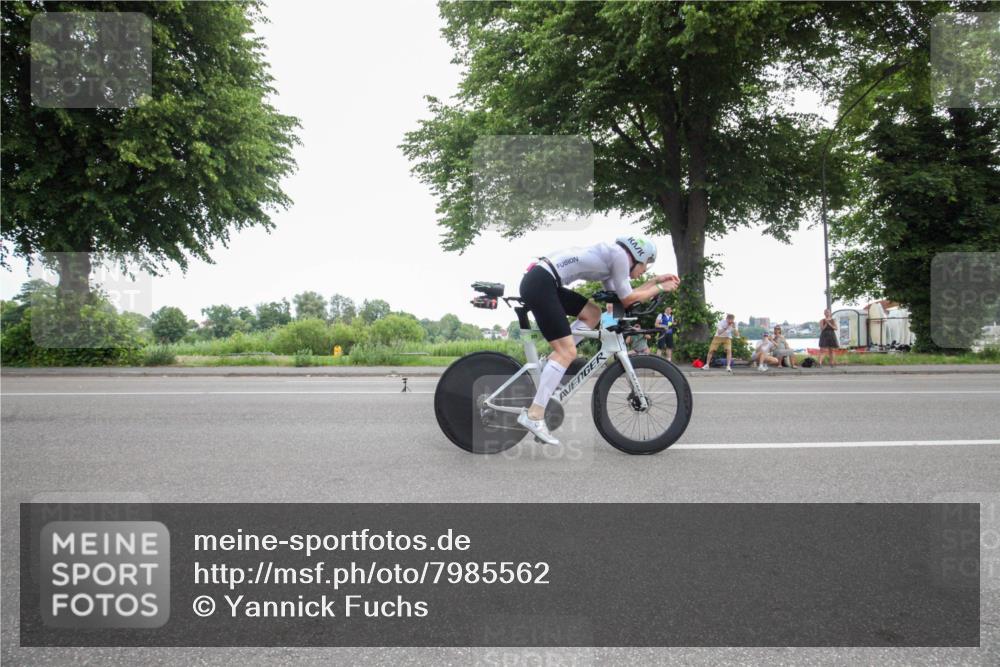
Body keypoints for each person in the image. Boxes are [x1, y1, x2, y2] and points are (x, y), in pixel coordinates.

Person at [518, 236, 680, 444]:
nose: (643, 271)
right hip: (541, 282)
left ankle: (553, 360)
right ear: (638, 257)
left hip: (544, 280)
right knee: (567, 352)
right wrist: (659, 288)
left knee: (592, 314)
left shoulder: (614, 257)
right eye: (645, 266)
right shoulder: (620, 257)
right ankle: (535, 415)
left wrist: (655, 282)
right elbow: (629, 299)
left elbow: (624, 296)